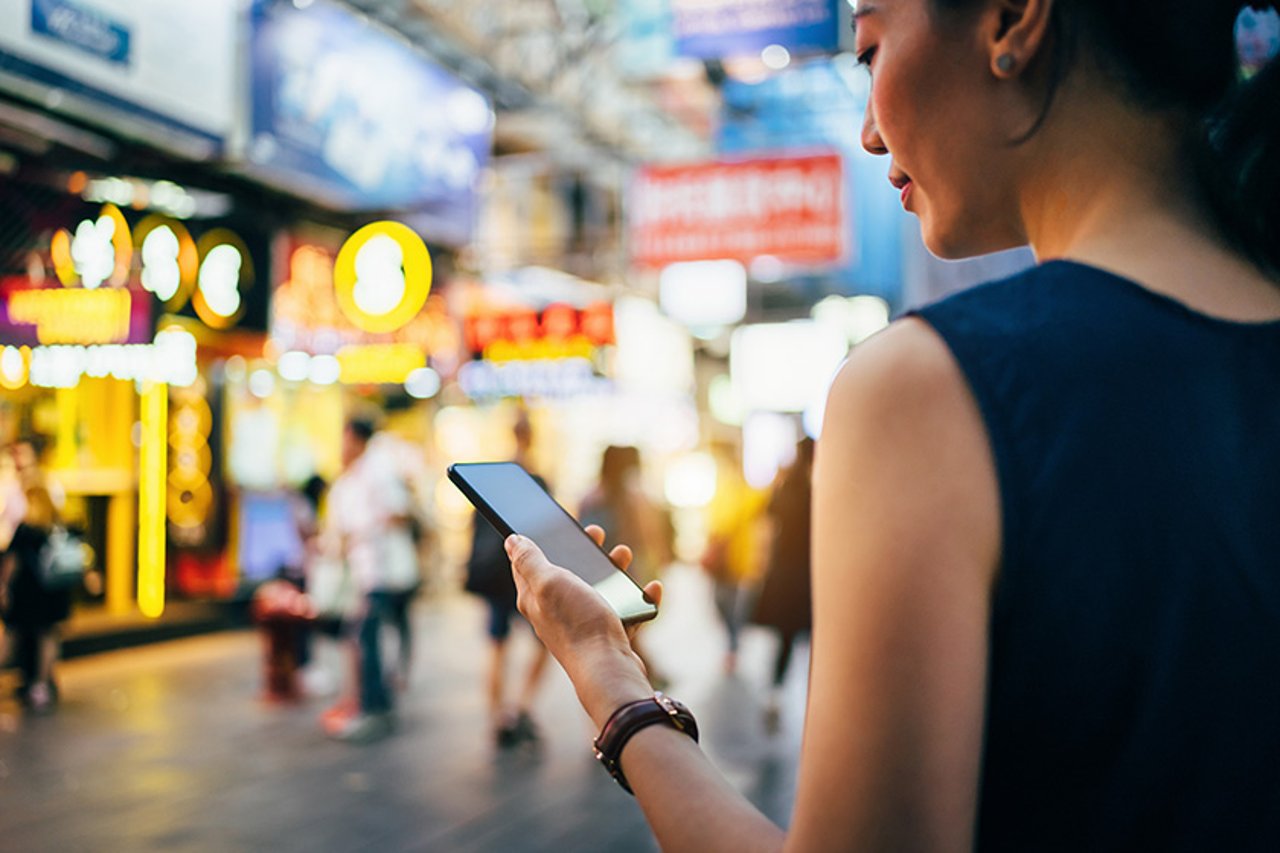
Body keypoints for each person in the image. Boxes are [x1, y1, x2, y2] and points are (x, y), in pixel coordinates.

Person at [502, 1, 1280, 848]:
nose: (869, 132)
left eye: (869, 50)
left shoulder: (930, 388)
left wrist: (612, 682)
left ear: (1014, 21)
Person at [322, 416, 419, 742]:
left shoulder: (376, 472)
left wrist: (365, 531)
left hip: (381, 573)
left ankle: (375, 708)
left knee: (367, 639)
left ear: (355, 439)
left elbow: (398, 513)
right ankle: (374, 704)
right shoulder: (356, 477)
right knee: (363, 638)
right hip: (366, 574)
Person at [463, 412, 551, 747]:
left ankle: (498, 715)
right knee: (543, 643)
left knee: (497, 646)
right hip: (521, 572)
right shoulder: (536, 480)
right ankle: (522, 707)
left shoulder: (494, 477)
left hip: (493, 573)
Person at [578, 445, 672, 686]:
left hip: (596, 577)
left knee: (611, 640)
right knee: (625, 635)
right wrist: (661, 558)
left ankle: (639, 679)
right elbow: (647, 533)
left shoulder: (590, 496)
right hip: (627, 575)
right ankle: (644, 678)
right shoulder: (632, 497)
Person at [751, 437, 814, 734]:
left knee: (786, 639)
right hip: (809, 575)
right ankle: (817, 700)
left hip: (784, 574)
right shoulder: (818, 490)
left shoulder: (786, 487)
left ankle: (774, 694)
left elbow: (768, 519)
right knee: (817, 641)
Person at [0, 483, 71, 711]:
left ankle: (32, 682)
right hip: (54, 593)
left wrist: (4, 587)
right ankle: (40, 684)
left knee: (11, 638)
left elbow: (12, 563)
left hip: (27, 594)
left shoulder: (25, 530)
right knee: (47, 638)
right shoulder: (58, 526)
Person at [700, 442, 768, 674]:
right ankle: (733, 643)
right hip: (730, 556)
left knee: (726, 602)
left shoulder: (739, 487)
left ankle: (732, 645)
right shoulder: (726, 485)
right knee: (724, 602)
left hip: (731, 557)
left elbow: (728, 522)